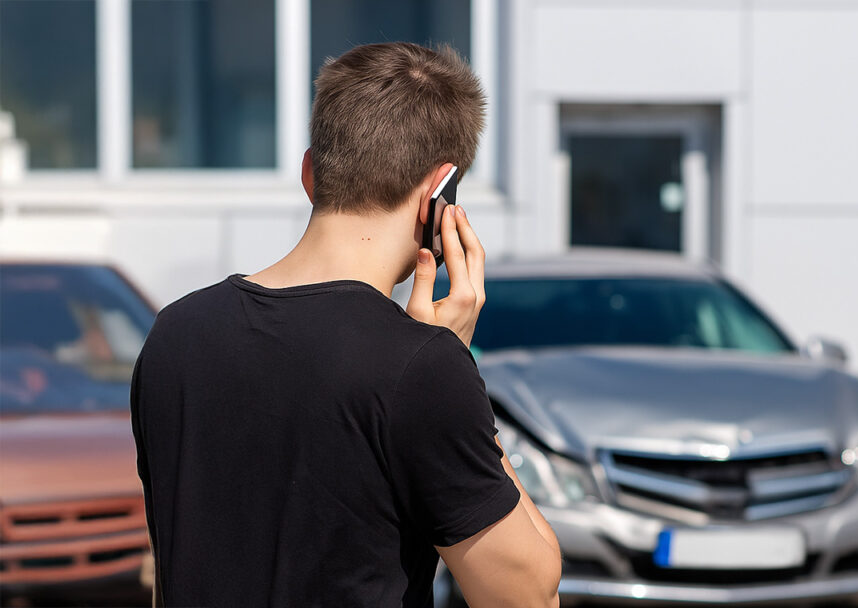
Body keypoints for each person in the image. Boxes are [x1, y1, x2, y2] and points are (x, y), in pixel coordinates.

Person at [130, 42, 561, 607]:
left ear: (311, 172)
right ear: (440, 194)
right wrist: (455, 362)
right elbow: (527, 593)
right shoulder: (421, 368)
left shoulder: (174, 334)